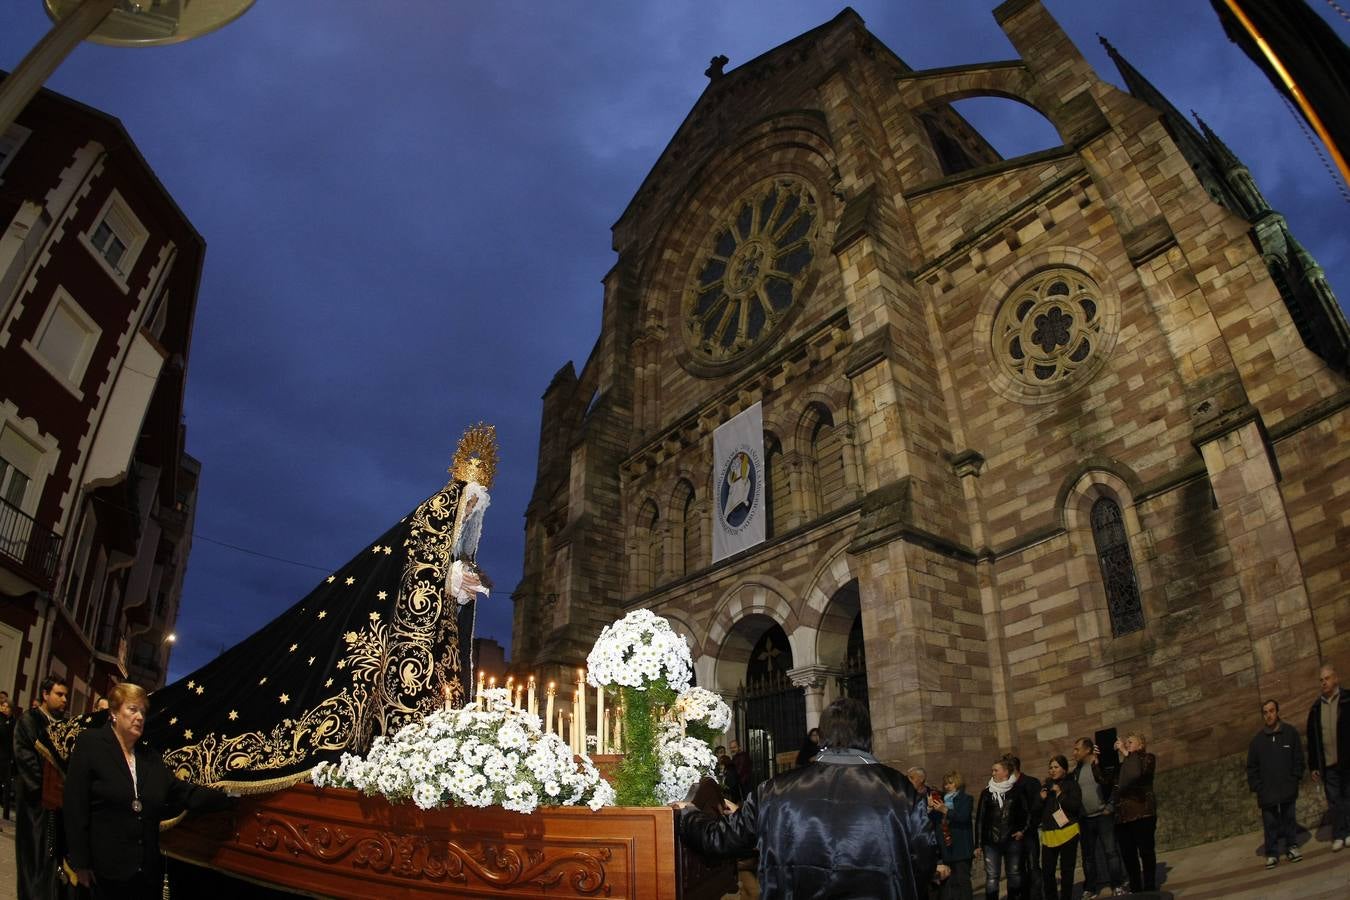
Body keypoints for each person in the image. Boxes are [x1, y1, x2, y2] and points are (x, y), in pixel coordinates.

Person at [677, 697, 942, 898]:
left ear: (822, 737)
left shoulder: (775, 790)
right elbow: (925, 858)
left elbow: (720, 838)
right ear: (867, 737)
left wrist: (689, 814)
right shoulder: (900, 790)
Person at [64, 682, 232, 897]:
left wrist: (231, 795)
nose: (140, 717)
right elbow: (75, 807)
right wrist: (81, 863)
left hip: (143, 874)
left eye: (143, 711)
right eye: (132, 709)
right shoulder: (91, 744)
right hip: (101, 871)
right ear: (114, 712)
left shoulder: (150, 758)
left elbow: (184, 792)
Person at [14, 675, 69, 900]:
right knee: (32, 856)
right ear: (45, 695)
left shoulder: (63, 726)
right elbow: (25, 758)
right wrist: (46, 789)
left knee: (51, 859)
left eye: (66, 695)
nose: (64, 699)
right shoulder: (30, 720)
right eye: (59, 694)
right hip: (34, 804)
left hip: (55, 805)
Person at [1247, 698, 1305, 868]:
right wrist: (1258, 787)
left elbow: (1298, 758)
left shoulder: (1290, 733)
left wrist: (1295, 777)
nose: (1269, 715)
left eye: (1271, 711)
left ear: (1277, 712)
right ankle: (1272, 853)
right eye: (1265, 712)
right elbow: (1252, 767)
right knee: (1270, 823)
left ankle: (1292, 846)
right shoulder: (1257, 742)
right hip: (1267, 792)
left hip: (1287, 787)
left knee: (1289, 818)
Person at [1071, 737, 1126, 899]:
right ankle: (1090, 888)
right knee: (1088, 856)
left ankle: (1117, 884)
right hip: (1086, 819)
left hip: (1103, 816)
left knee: (1111, 852)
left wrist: (1110, 806)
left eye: (1077, 749)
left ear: (1087, 750)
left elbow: (1113, 783)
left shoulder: (1100, 765)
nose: (1074, 753)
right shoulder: (1076, 771)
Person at [1306, 661, 1350, 851]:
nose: (1324, 682)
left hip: (1348, 761)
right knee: (1334, 801)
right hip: (1329, 763)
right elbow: (1312, 739)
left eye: (1327, 678)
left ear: (1336, 678)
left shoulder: (1348, 700)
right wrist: (1314, 766)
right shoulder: (1316, 709)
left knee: (1348, 797)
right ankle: (1340, 834)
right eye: (1321, 680)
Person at [975, 757, 1030, 900]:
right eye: (992, 770)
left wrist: (1022, 831)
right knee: (992, 877)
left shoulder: (1017, 790)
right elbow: (980, 819)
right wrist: (978, 844)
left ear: (1005, 772)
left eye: (996, 770)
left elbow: (1027, 813)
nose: (992, 773)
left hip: (1012, 839)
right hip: (991, 841)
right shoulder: (987, 793)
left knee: (1014, 873)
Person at [1112, 732, 1157, 893]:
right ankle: (1136, 887)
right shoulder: (1124, 764)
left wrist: (1126, 753)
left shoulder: (1147, 758)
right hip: (1123, 817)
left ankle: (1150, 886)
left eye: (1131, 742)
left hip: (1142, 812)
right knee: (1128, 855)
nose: (1127, 744)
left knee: (1146, 851)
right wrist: (1098, 763)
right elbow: (1106, 781)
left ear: (1141, 745)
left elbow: (1138, 774)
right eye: (1126, 742)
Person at [1039, 755, 1082, 900]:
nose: (1052, 770)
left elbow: (1074, 806)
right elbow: (1036, 811)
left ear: (1064, 769)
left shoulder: (1072, 785)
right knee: (1047, 871)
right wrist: (1041, 799)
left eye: (1056, 767)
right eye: (1050, 767)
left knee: (1067, 870)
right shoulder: (1045, 786)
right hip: (1049, 834)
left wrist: (1059, 793)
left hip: (1068, 832)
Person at [938, 770, 974, 900]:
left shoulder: (966, 799)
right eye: (945, 784)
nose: (946, 786)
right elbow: (936, 823)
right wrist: (932, 810)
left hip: (961, 847)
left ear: (957, 783)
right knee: (948, 882)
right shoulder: (941, 800)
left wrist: (946, 810)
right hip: (946, 846)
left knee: (962, 880)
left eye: (950, 783)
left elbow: (963, 818)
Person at [0, 696, 15, 824]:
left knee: (7, 785)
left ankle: (5, 811)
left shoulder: (13, 722)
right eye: (2, 706)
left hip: (6, 757)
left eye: (6, 706)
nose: (4, 708)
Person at [728, 737, 752, 802]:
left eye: (734, 747)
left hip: (743, 785)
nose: (732, 749)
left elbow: (739, 771)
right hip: (740, 785)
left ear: (739, 747)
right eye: (731, 748)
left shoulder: (742, 756)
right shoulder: (736, 757)